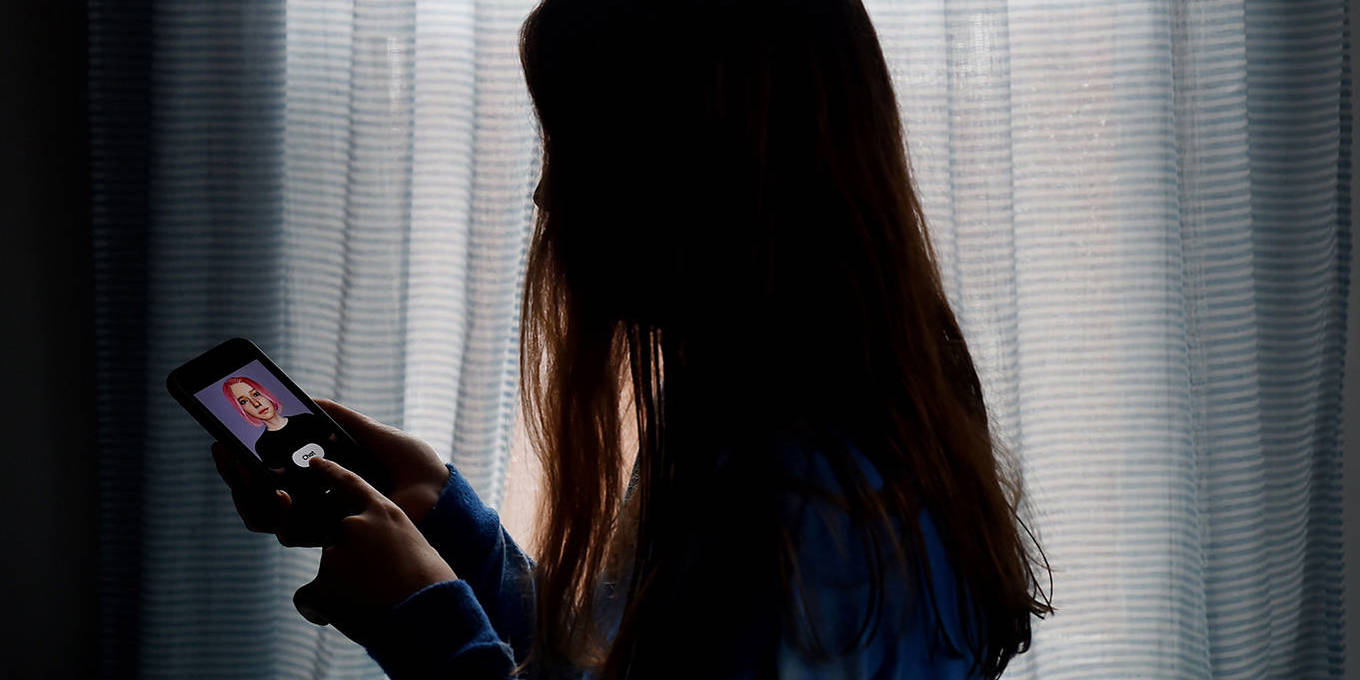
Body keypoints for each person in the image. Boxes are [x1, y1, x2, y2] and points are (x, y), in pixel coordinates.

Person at [210, 0, 1055, 677]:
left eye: (573, 146)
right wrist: (442, 517)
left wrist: (424, 622)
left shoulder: (792, 511)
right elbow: (621, 660)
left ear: (685, 166)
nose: (544, 196)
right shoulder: (776, 436)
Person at [223, 376, 333, 478]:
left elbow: (337, 444)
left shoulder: (307, 419)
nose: (256, 404)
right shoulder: (263, 446)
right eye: (243, 401)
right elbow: (286, 481)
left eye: (256, 394)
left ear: (265, 393)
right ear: (241, 410)